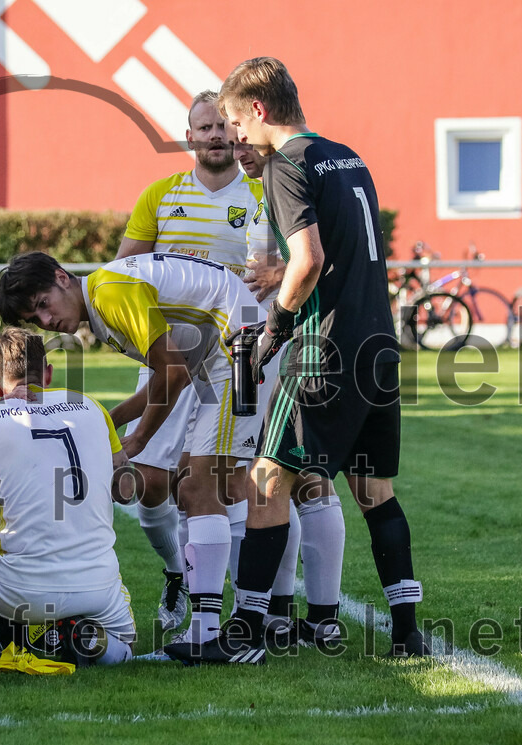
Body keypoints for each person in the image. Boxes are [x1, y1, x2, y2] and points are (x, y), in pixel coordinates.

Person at [173, 56, 428, 665]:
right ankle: (407, 633)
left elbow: (307, 259)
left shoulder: (287, 164)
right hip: (378, 346)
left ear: (258, 110)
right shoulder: (347, 154)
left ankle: (245, 636)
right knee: (374, 491)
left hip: (325, 350)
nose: (234, 134)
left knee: (266, 482)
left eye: (235, 119)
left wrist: (274, 330)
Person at [0, 250, 277, 651]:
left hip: (241, 345)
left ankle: (215, 632)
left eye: (43, 305)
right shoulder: (105, 294)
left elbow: (174, 373)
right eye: (33, 319)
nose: (46, 321)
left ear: (61, 277)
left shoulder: (108, 293)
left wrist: (138, 440)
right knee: (218, 486)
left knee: (200, 487)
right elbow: (172, 373)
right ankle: (253, 621)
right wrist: (106, 422)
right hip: (231, 346)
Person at [114, 91, 268, 632]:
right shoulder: (160, 194)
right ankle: (176, 572)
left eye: (225, 127)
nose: (217, 136)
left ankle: (240, 602)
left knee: (225, 479)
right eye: (206, 128)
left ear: (237, 134)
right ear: (190, 137)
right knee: (152, 481)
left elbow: (276, 271)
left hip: (234, 355)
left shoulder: (260, 194)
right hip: (168, 353)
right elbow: (123, 271)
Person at [0, 327, 137, 666]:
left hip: (19, 588)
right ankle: (90, 639)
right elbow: (126, 490)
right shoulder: (92, 406)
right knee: (128, 646)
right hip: (98, 585)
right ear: (48, 371)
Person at [230, 132, 348, 648]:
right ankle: (279, 612)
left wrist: (284, 277)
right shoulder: (191, 196)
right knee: (257, 480)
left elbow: (318, 257)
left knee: (300, 479)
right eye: (220, 134)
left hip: (292, 341)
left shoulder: (292, 174)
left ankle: (306, 615)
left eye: (234, 130)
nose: (235, 146)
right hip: (245, 351)